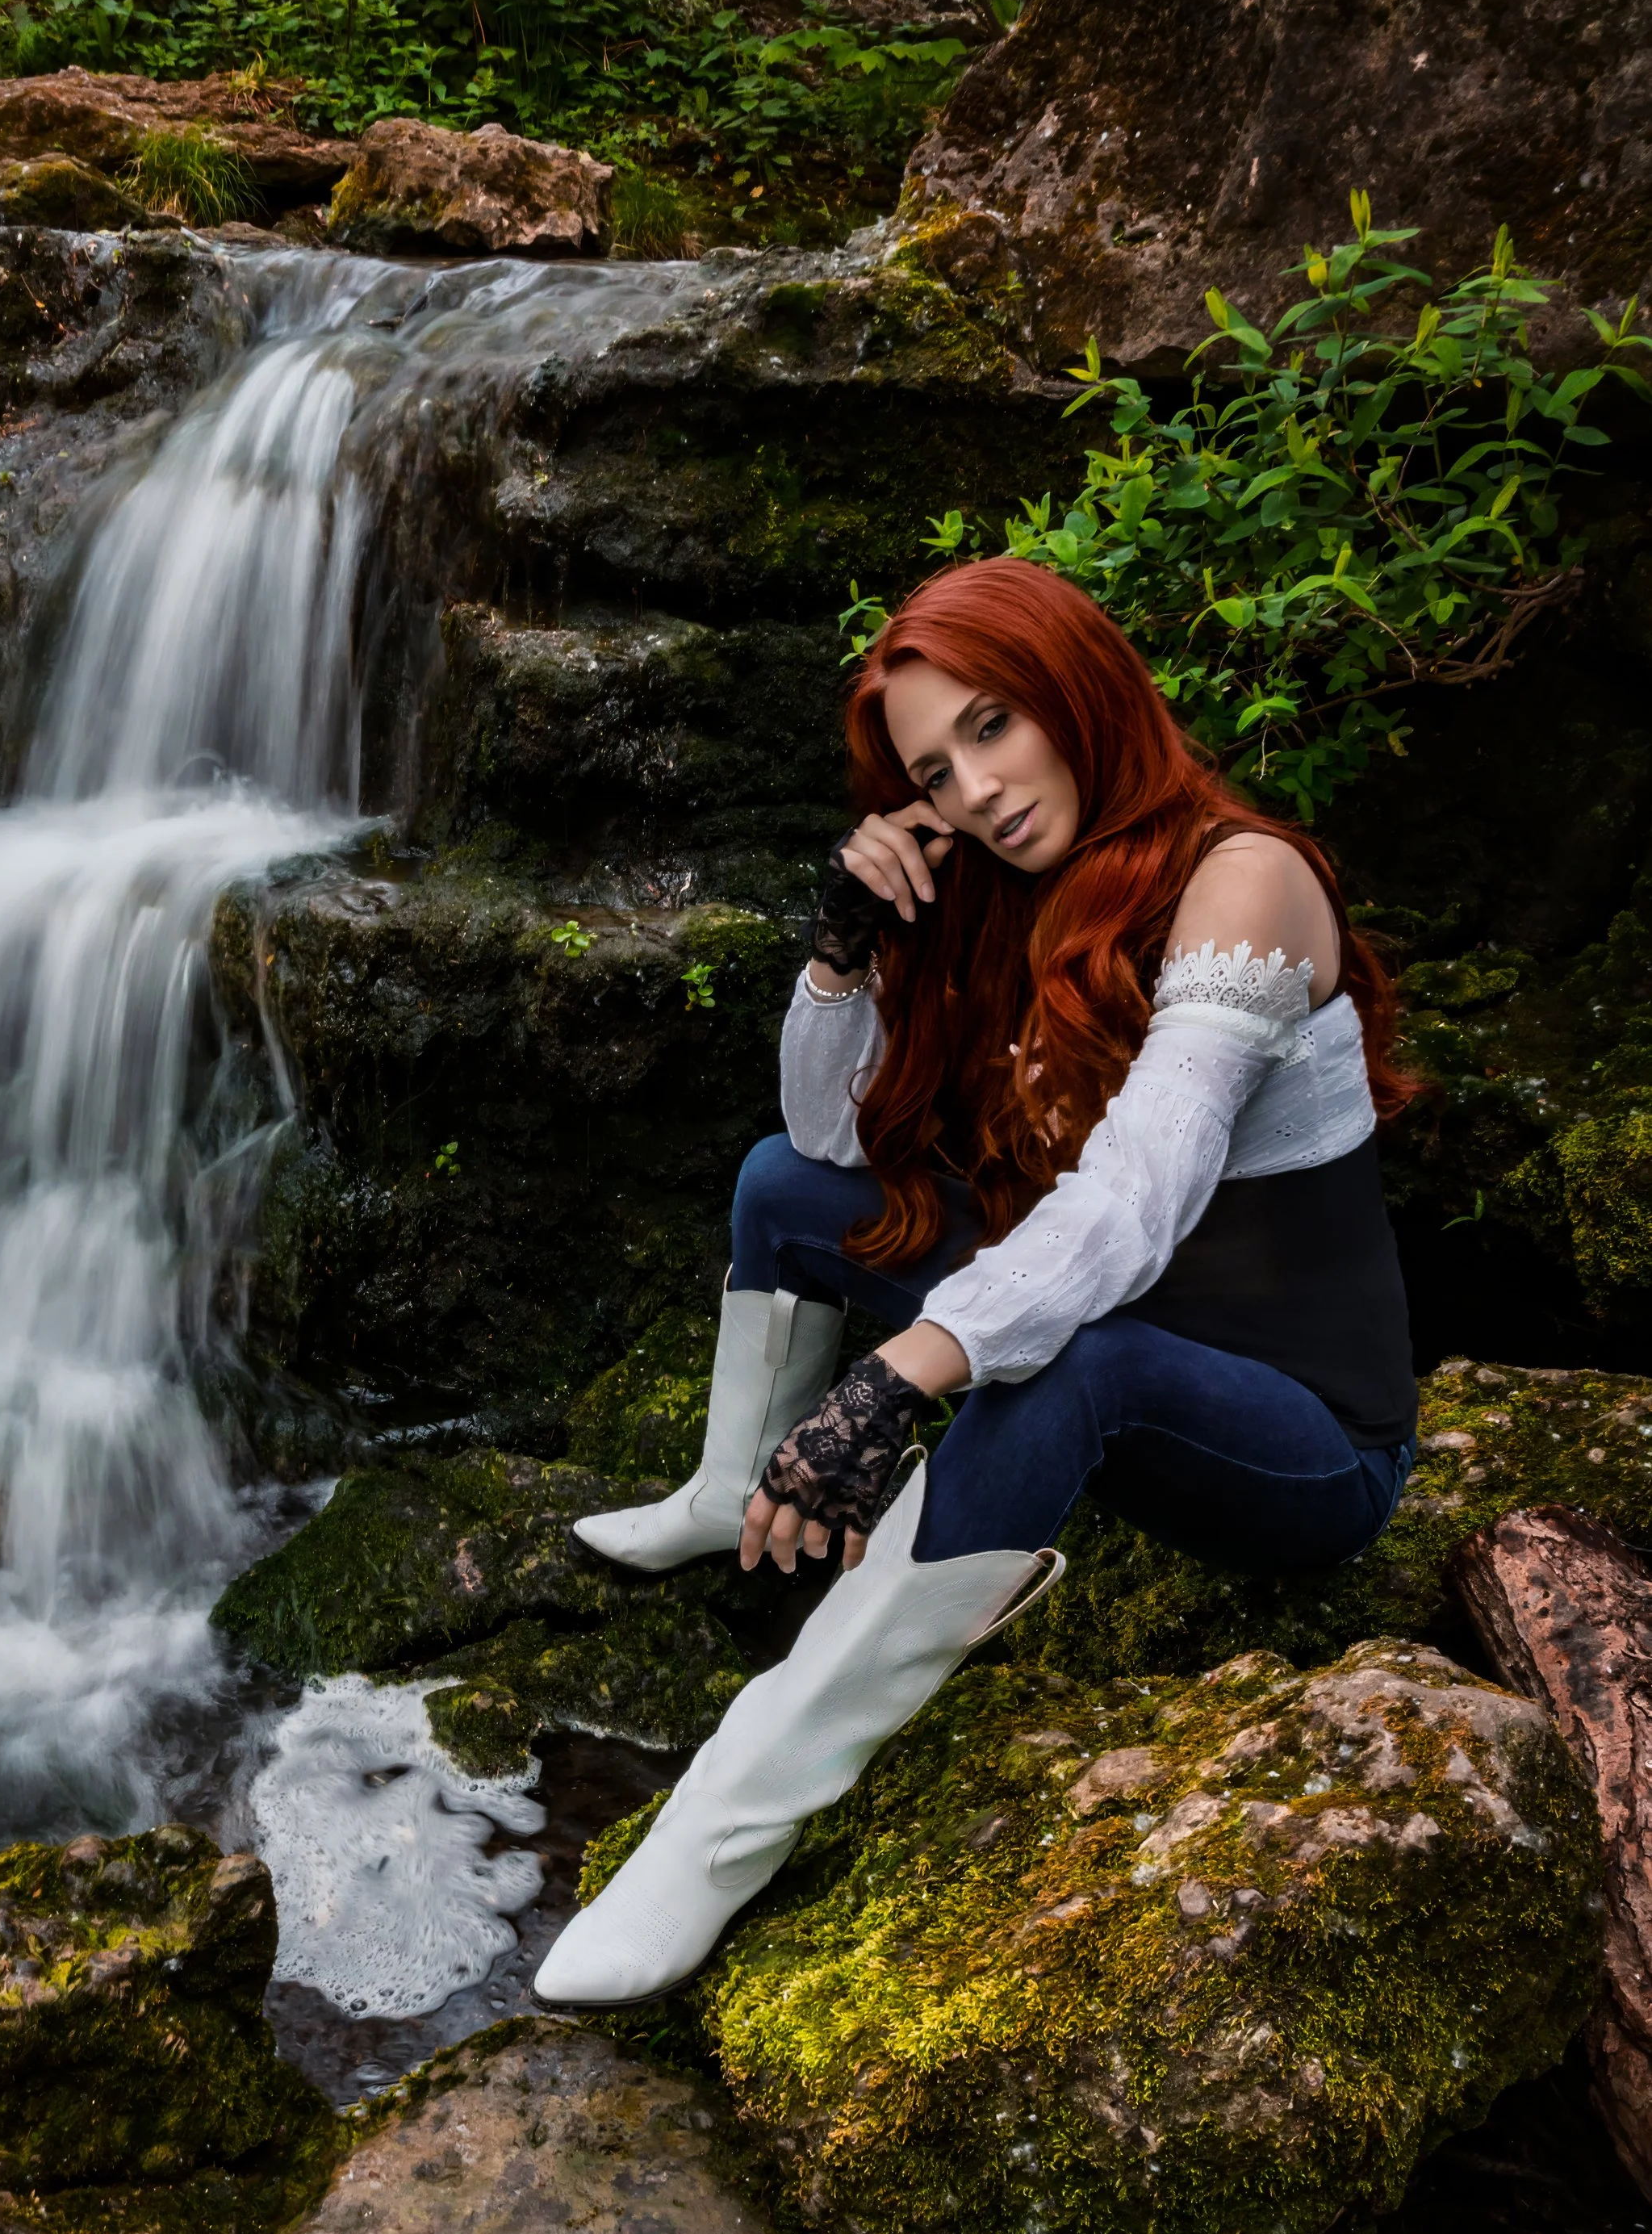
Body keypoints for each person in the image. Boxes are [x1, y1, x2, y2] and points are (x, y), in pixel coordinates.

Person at [533, 554, 1416, 2010]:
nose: (979, 791)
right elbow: (831, 1135)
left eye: (995, 725)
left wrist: (902, 1375)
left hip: (1302, 1436)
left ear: (1078, 688)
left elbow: (1133, 1203)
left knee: (1075, 1364)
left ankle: (720, 1823)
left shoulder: (1244, 882)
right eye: (937, 772)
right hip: (1106, 1308)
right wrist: (844, 953)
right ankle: (723, 1492)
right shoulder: (1011, 887)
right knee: (782, 1186)